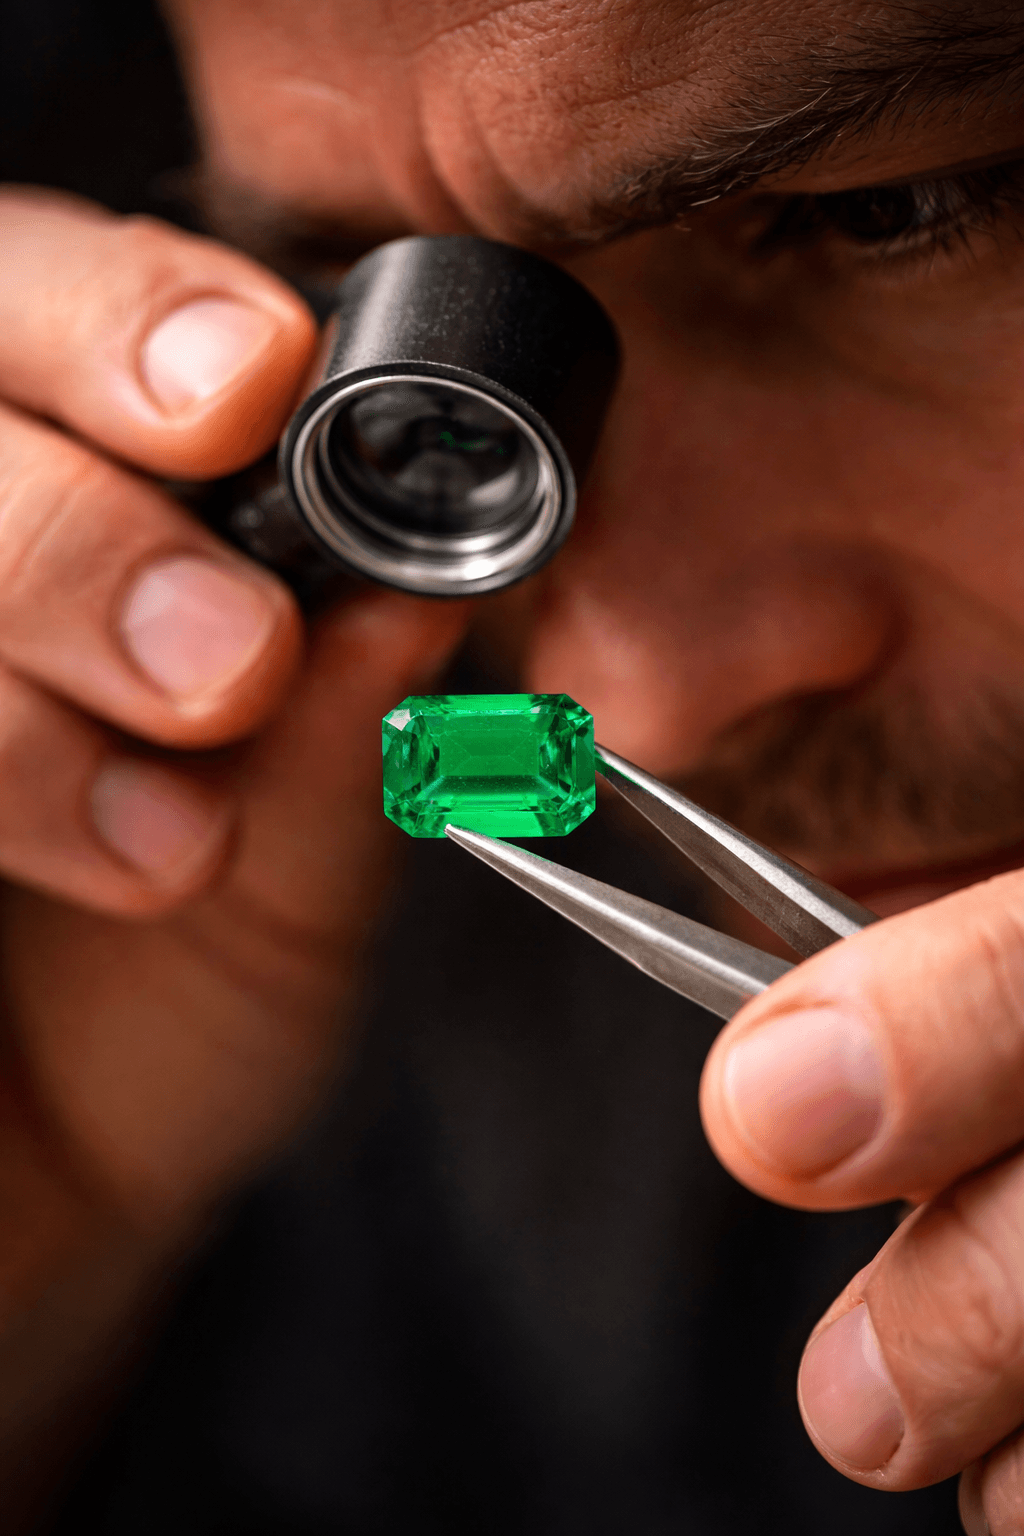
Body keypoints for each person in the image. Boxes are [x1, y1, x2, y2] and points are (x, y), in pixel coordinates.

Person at [2, 0, 1024, 1531]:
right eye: (354, 299)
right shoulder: (333, 1087)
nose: (636, 702)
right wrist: (49, 1231)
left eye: (882, 214)